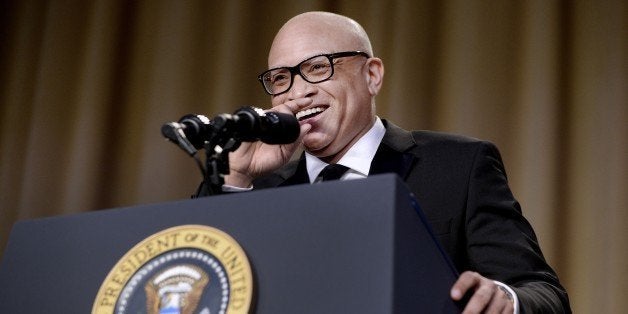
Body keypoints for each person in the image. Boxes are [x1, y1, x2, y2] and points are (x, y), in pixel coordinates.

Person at [198, 11, 571, 313]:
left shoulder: (459, 167)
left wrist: (506, 300)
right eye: (281, 78)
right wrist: (235, 179)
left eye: (317, 67)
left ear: (372, 75)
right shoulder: (256, 188)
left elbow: (544, 294)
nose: (298, 92)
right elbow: (199, 282)